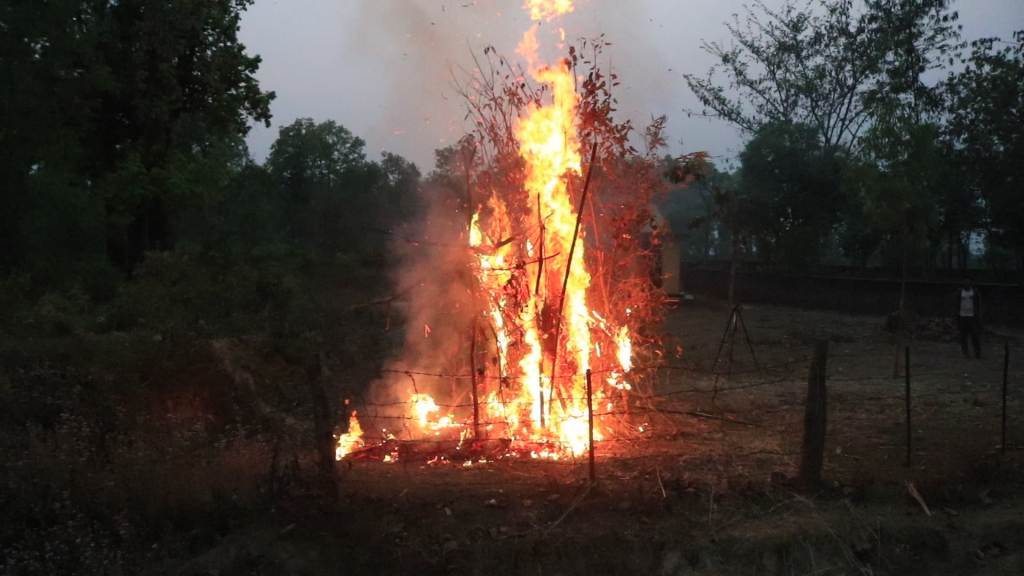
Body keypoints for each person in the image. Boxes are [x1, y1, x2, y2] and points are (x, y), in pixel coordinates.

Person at [956, 277, 982, 358]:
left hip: (972, 317)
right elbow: (956, 304)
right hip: (962, 316)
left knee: (974, 335)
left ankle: (977, 353)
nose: (966, 284)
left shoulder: (975, 292)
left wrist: (978, 315)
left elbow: (979, 304)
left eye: (967, 282)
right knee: (963, 335)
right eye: (964, 282)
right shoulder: (959, 292)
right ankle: (965, 352)